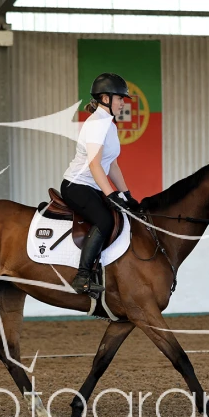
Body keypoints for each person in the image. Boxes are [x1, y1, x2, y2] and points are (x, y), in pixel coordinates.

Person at [61, 72, 139, 298]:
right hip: (77, 185)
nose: (123, 103)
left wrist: (126, 194)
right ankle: (82, 277)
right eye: (120, 98)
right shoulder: (96, 124)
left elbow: (112, 164)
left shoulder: (109, 125)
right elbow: (95, 165)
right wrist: (112, 195)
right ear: (105, 98)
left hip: (93, 186)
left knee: (119, 216)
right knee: (105, 220)